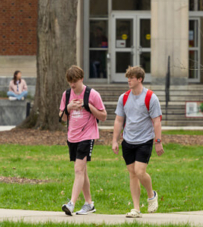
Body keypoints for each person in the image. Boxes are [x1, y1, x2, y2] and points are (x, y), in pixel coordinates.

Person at [112, 66, 163, 218]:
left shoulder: (150, 97)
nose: (129, 80)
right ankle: (136, 209)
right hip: (128, 140)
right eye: (128, 77)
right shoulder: (124, 98)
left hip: (144, 140)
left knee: (140, 172)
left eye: (132, 78)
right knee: (132, 174)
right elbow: (119, 120)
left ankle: (151, 195)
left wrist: (158, 141)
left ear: (139, 79)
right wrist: (114, 140)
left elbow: (156, 121)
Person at [59, 66, 107, 216]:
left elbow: (103, 116)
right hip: (72, 136)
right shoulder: (66, 95)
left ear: (81, 79)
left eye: (74, 81)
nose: (72, 85)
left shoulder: (92, 94)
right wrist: (68, 107)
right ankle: (89, 204)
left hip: (88, 135)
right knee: (82, 171)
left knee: (78, 169)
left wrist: (89, 106)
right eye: (70, 82)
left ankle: (71, 204)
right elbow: (62, 117)